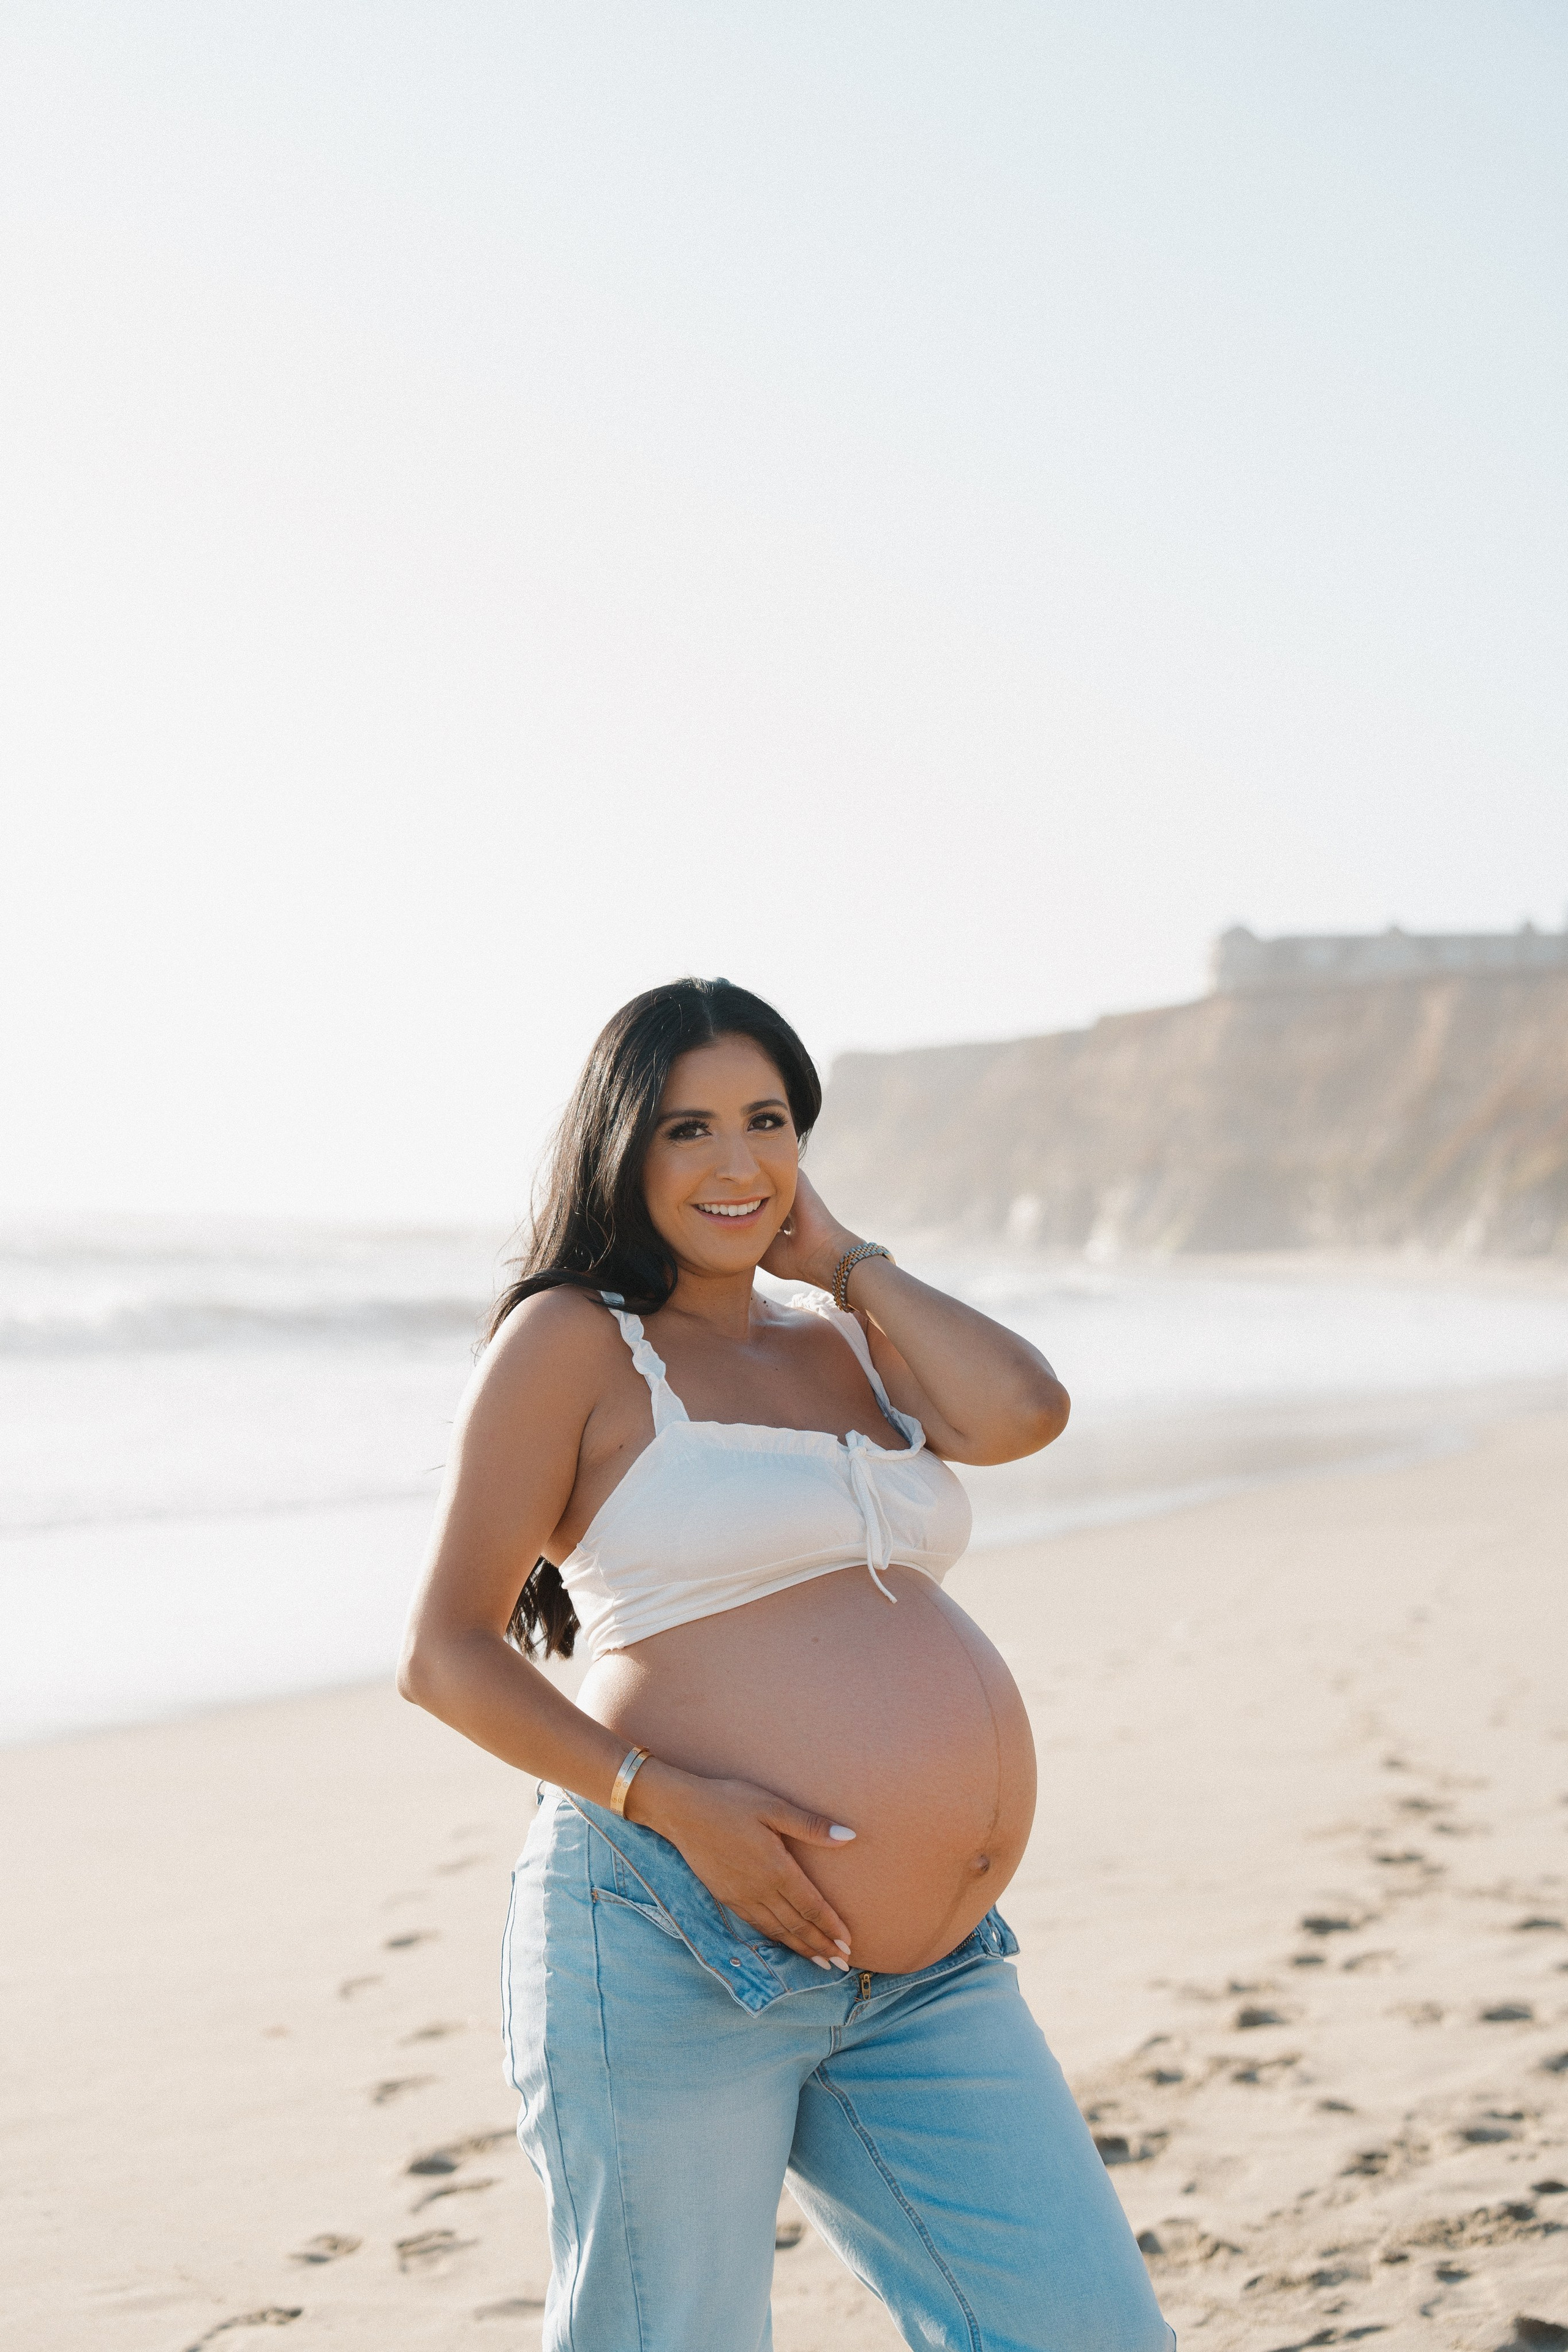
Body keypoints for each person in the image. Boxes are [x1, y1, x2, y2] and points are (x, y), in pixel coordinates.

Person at [399, 976, 1175, 2351]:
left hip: (929, 1972)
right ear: (621, 1147)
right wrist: (670, 1799)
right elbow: (445, 1654)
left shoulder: (842, 1342)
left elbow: (1024, 1411)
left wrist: (850, 1265)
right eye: (686, 1130)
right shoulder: (571, 1341)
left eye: (766, 1122)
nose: (736, 1162)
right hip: (667, 1933)